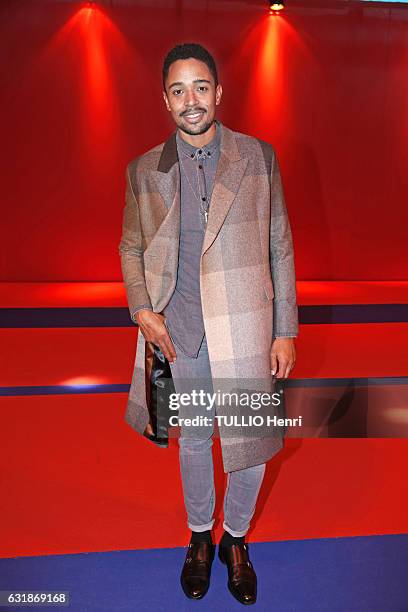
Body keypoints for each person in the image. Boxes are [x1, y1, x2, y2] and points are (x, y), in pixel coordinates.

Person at [118, 42, 298, 605]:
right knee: (194, 441)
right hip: (182, 331)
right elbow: (129, 246)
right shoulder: (146, 169)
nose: (190, 100)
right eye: (178, 90)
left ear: (218, 93)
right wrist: (142, 309)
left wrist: (285, 328)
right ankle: (200, 538)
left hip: (246, 327)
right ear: (165, 100)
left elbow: (281, 248)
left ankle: (235, 542)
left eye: (200, 87)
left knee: (249, 446)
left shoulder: (258, 157)